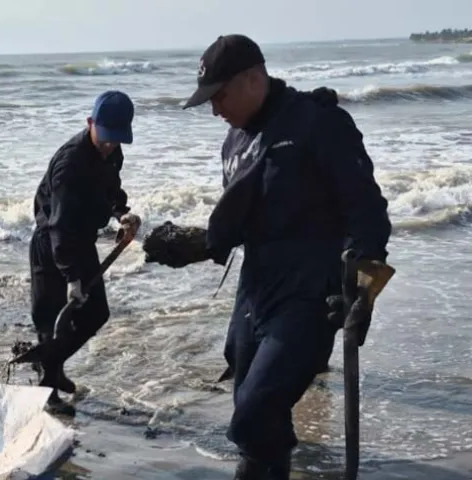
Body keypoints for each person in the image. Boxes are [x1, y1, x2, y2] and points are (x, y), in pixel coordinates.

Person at [152, 34, 392, 479]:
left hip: (309, 293)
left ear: (253, 79)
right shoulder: (234, 143)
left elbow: (369, 214)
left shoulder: (319, 124)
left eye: (219, 95)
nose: (213, 108)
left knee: (255, 413)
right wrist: (194, 244)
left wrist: (365, 288)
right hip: (256, 290)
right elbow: (243, 219)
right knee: (249, 408)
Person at [29, 90, 141, 417]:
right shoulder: (69, 164)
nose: (109, 145)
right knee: (50, 319)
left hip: (81, 240)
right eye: (105, 137)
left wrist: (121, 211)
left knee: (96, 314)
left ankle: (54, 367)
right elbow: (59, 226)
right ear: (90, 122)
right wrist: (71, 277)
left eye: (116, 140)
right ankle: (47, 391)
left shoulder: (113, 152)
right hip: (52, 244)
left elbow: (110, 188)